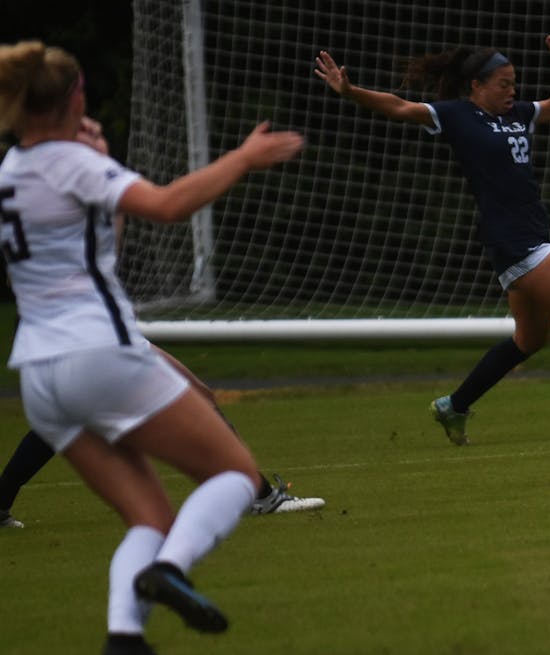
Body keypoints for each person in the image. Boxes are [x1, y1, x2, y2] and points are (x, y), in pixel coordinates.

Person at [0, 41, 304, 655]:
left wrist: (98, 162)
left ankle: (125, 644)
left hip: (36, 371)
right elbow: (167, 205)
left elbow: (88, 236)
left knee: (148, 514)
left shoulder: (11, 169)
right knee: (235, 476)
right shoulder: (69, 163)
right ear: (72, 98)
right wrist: (243, 157)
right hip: (96, 354)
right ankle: (168, 571)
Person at [314, 35, 550, 444]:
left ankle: (453, 406)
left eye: (514, 83)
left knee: (529, 338)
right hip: (516, 240)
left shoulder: (519, 114)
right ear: (477, 85)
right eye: (504, 84)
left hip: (523, 236)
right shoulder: (457, 115)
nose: (512, 91)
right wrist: (350, 91)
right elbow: (400, 107)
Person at [0, 118, 324, 530]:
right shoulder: (77, 179)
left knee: (64, 419)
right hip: (90, 333)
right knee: (160, 486)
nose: (96, 130)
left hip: (55, 336)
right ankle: (257, 496)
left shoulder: (28, 175)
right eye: (85, 130)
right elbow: (169, 205)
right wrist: (242, 158)